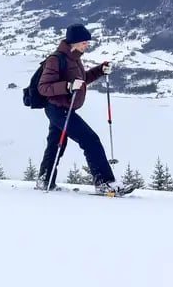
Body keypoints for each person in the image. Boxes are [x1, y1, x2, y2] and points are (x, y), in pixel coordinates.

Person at [36, 23, 124, 193]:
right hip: (58, 109)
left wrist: (100, 70)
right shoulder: (56, 59)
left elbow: (81, 81)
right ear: (73, 42)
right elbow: (44, 87)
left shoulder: (74, 58)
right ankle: (104, 183)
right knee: (90, 140)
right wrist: (68, 86)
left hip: (63, 108)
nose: (87, 45)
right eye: (84, 42)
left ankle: (44, 180)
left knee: (54, 144)